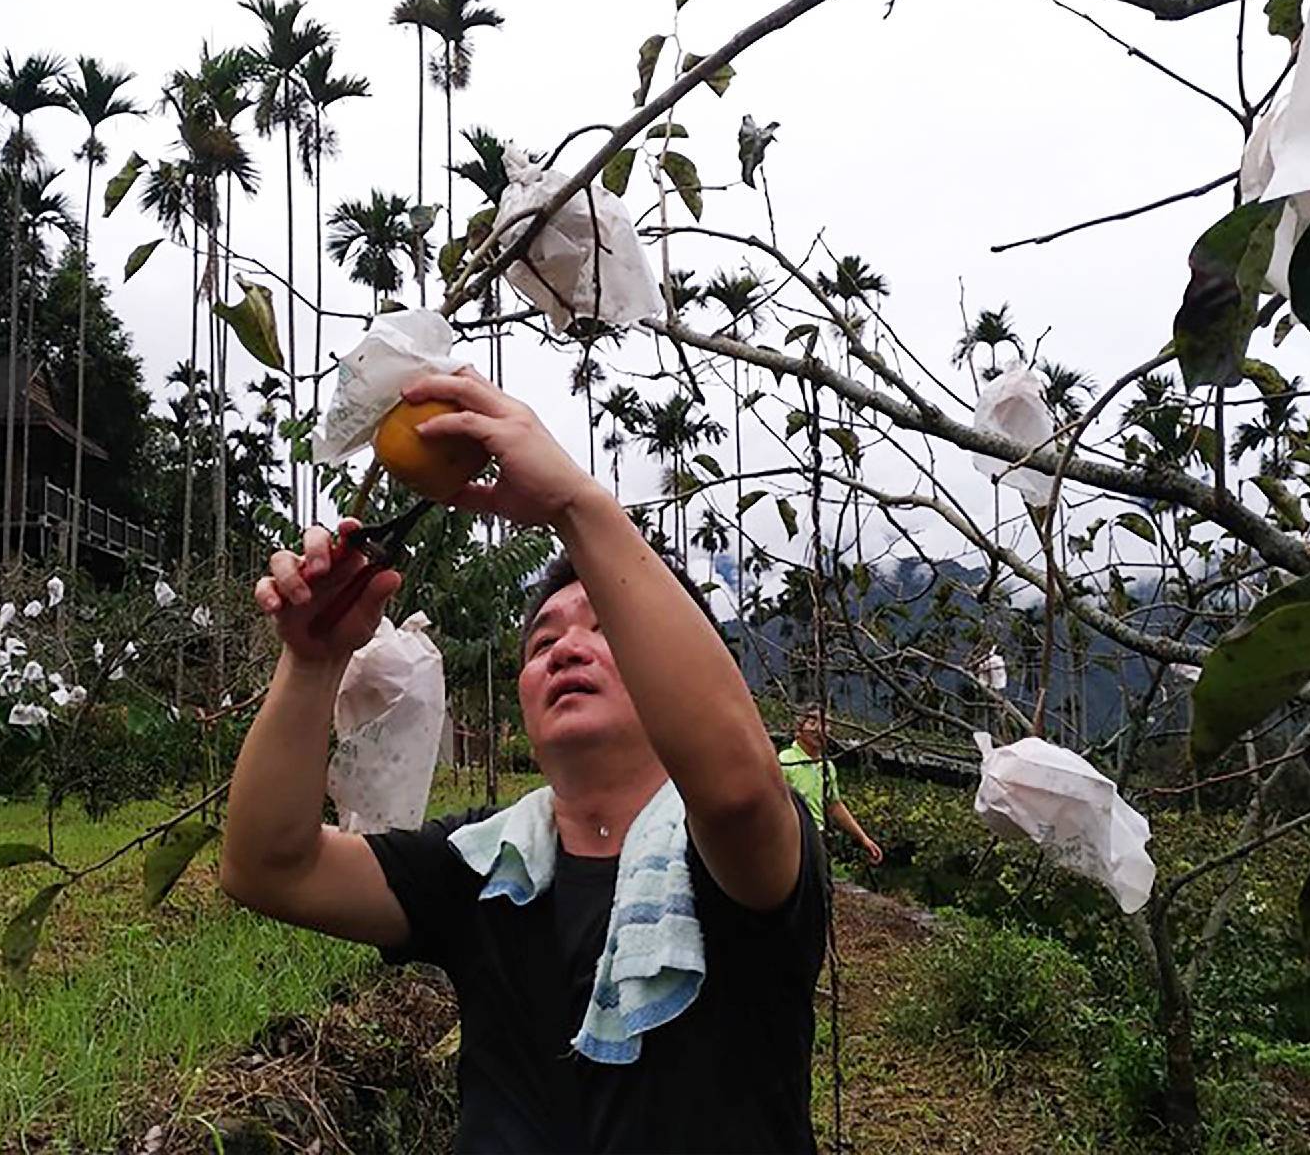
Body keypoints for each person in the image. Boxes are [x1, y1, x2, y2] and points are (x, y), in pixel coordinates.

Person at [221, 368, 826, 1153]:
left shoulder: (744, 850)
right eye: (543, 641)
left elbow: (739, 789)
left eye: (605, 624)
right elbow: (267, 867)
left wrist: (577, 507)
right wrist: (311, 665)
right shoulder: (485, 867)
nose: (567, 645)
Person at [777, 705, 884, 865]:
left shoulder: (827, 767)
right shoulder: (785, 761)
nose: (819, 729)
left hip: (819, 836)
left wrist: (864, 839)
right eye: (812, 722)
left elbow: (834, 805)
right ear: (799, 730)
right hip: (793, 836)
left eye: (824, 724)